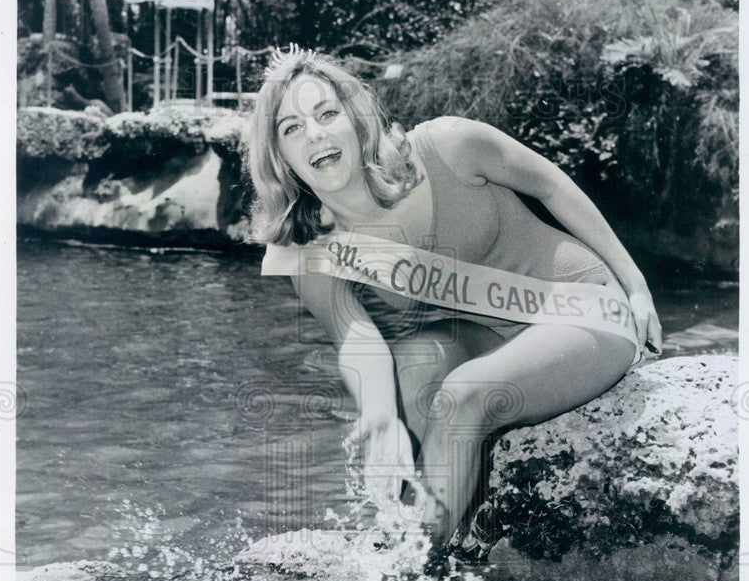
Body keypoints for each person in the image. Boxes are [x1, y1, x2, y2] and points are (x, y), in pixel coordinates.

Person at [249, 47, 662, 544]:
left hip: (583, 311)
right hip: (492, 340)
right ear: (281, 157)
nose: (314, 133)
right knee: (415, 363)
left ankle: (409, 575)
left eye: (327, 114)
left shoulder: (447, 145)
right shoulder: (310, 248)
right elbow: (357, 340)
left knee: (463, 393)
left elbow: (551, 185)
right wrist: (380, 418)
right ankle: (436, 534)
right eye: (292, 128)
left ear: (356, 118)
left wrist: (635, 285)